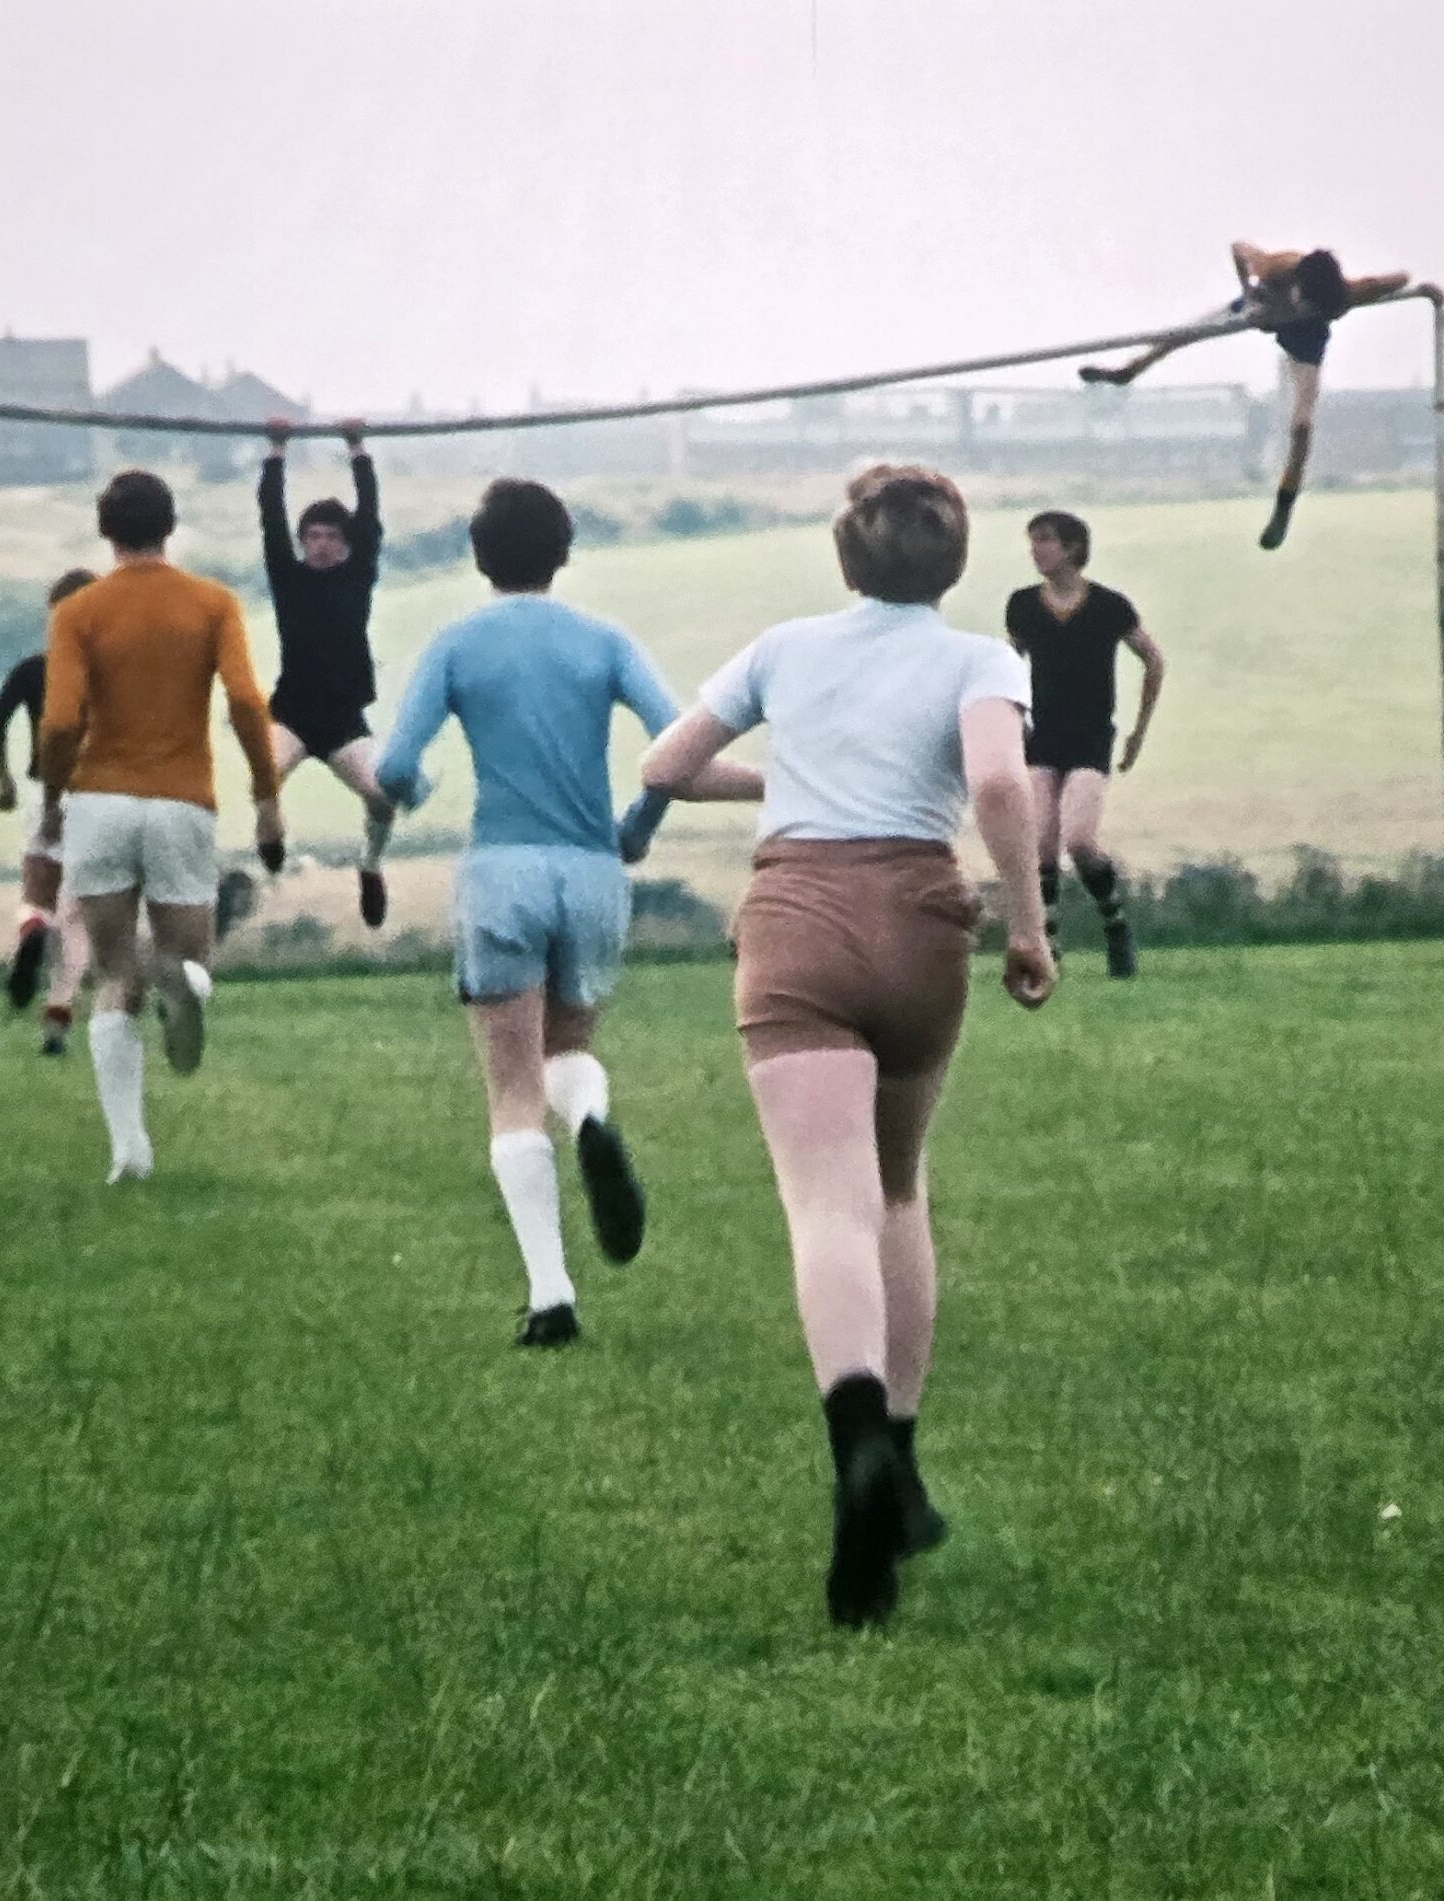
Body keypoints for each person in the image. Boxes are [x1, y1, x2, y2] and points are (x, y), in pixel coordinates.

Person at [639, 464, 1056, 1627]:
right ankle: (901, 1461)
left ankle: (855, 1443)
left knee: (826, 1206)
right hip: (918, 919)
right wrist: (1028, 924)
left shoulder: (784, 647)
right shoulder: (980, 658)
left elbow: (665, 767)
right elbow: (995, 779)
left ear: (846, 554)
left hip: (797, 920)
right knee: (896, 1187)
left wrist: (785, 776)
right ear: (953, 560)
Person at [376, 478, 761, 1349]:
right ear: (564, 552)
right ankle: (588, 1115)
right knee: (567, 1052)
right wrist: (638, 825)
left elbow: (395, 766)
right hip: (592, 872)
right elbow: (676, 753)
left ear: (479, 556)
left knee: (512, 1088)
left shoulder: (456, 643)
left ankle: (551, 1295)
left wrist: (418, 787)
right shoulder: (605, 640)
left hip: (502, 871)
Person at [37, 471, 283, 1182]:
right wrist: (267, 795)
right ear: (170, 526)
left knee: (115, 971)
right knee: (190, 957)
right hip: (181, 802)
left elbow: (60, 721)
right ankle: (186, 986)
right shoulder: (213, 603)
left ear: (105, 531)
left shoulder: (77, 611)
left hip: (99, 802)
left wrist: (53, 796)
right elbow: (246, 700)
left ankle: (130, 1151)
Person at [1078, 243, 1413, 548]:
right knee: (1182, 335)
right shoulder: (1276, 267)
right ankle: (1128, 371)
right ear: (1297, 283)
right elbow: (1238, 248)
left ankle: (1284, 506)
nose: (1304, 305)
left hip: (1305, 335)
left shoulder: (1345, 293)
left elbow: (1401, 279)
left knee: (1302, 428)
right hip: (1263, 306)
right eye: (1304, 300)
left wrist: (1422, 290)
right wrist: (1249, 295)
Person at [1006, 510, 1165, 977]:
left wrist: (1138, 731)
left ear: (1072, 548)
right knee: (1040, 844)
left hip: (1091, 738)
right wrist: (1011, 721)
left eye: (1046, 540)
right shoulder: (1023, 606)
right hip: (1042, 736)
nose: (1036, 550)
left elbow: (1153, 660)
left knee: (1079, 840)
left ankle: (1115, 925)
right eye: (1033, 541)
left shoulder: (1109, 607)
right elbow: (1009, 666)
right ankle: (1048, 944)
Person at [259, 417, 394, 924]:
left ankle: (371, 865)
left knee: (382, 795)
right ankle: (272, 837)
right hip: (293, 713)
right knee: (263, 776)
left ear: (345, 542)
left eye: (330, 536)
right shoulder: (287, 577)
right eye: (311, 536)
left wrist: (357, 446)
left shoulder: (358, 575)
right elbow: (271, 517)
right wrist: (277, 451)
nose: (319, 544)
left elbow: (371, 516)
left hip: (342, 719)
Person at [0, 567, 101, 1047]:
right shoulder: (111, 674)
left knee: (37, 893)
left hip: (42, 790)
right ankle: (58, 1014)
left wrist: (3, 779)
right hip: (98, 795)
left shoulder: (34, 669)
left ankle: (32, 928)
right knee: (79, 914)